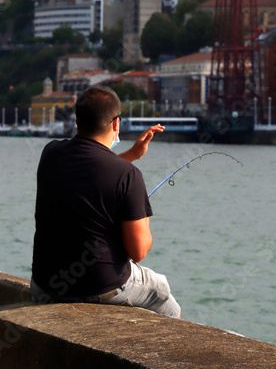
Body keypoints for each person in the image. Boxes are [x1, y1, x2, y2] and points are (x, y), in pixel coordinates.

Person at [30, 84, 180, 317]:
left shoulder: (50, 154)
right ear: (116, 123)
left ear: (78, 121)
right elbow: (139, 251)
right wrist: (141, 208)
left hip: (43, 286)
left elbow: (94, 173)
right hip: (102, 286)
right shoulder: (128, 176)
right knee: (164, 295)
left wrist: (132, 155)